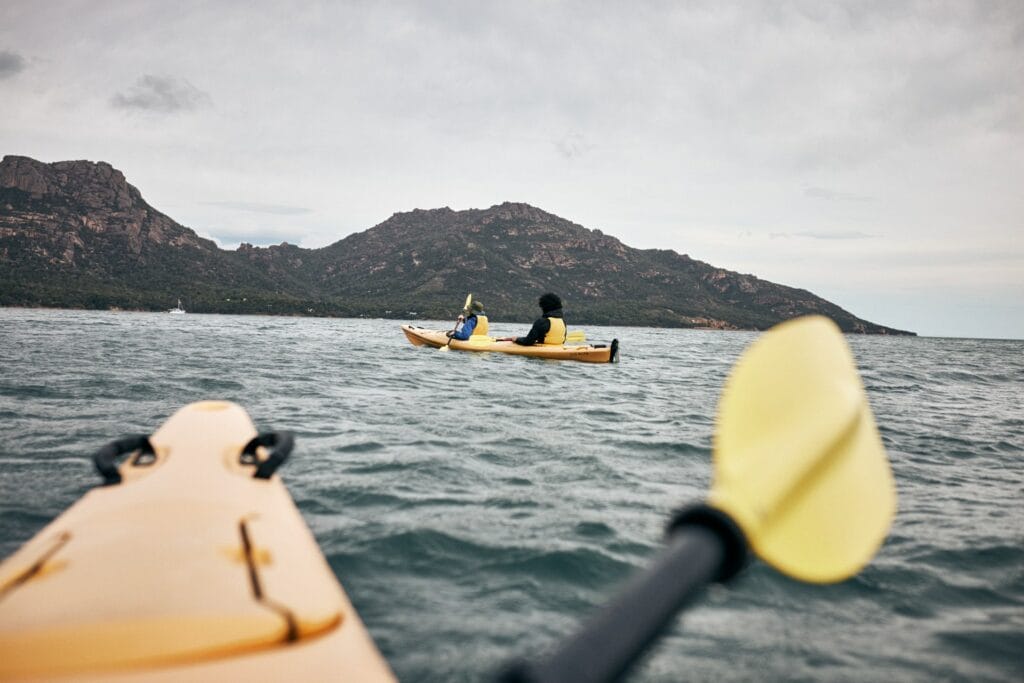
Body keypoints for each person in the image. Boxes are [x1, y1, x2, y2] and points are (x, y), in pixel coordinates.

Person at [498, 292, 566, 345]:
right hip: (558, 347)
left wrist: (515, 339)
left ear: (543, 306)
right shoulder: (563, 322)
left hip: (544, 352)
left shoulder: (542, 322)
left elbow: (528, 341)